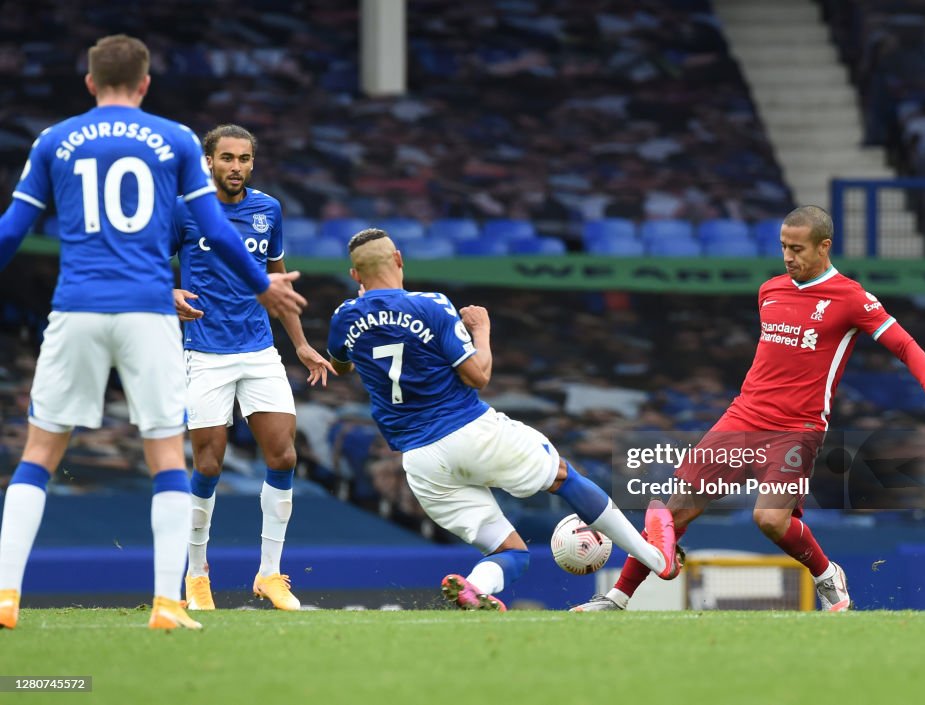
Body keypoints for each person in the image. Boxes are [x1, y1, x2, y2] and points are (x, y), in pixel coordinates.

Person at [0, 35, 307, 631]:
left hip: (77, 307)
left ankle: (5, 595)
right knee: (169, 457)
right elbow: (217, 233)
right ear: (144, 84)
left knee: (38, 454)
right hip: (147, 312)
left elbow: (13, 230)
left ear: (90, 83)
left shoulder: (53, 140)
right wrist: (263, 284)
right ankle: (169, 605)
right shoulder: (176, 140)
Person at [573, 205, 925, 612]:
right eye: (783, 247)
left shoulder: (850, 298)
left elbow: (904, 344)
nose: (788, 256)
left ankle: (827, 574)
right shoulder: (770, 290)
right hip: (743, 417)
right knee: (673, 513)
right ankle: (617, 599)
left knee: (770, 520)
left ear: (824, 247)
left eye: (797, 248)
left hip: (797, 428)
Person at [326, 228, 679, 611]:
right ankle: (658, 560)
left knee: (510, 551)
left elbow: (341, 365)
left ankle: (475, 587)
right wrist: (481, 329)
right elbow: (478, 375)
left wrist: (367, 317)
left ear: (355, 275)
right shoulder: (431, 305)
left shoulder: (344, 317)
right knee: (562, 476)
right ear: (398, 258)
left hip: (420, 461)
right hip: (469, 430)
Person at [169, 124, 334, 612]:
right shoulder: (185, 210)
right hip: (205, 352)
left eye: (244, 158)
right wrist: (167, 291)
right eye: (227, 158)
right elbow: (150, 265)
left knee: (283, 458)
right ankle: (197, 577)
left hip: (260, 351)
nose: (236, 166)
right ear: (209, 161)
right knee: (208, 465)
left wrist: (300, 344)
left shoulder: (269, 210)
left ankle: (269, 574)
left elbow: (278, 285)